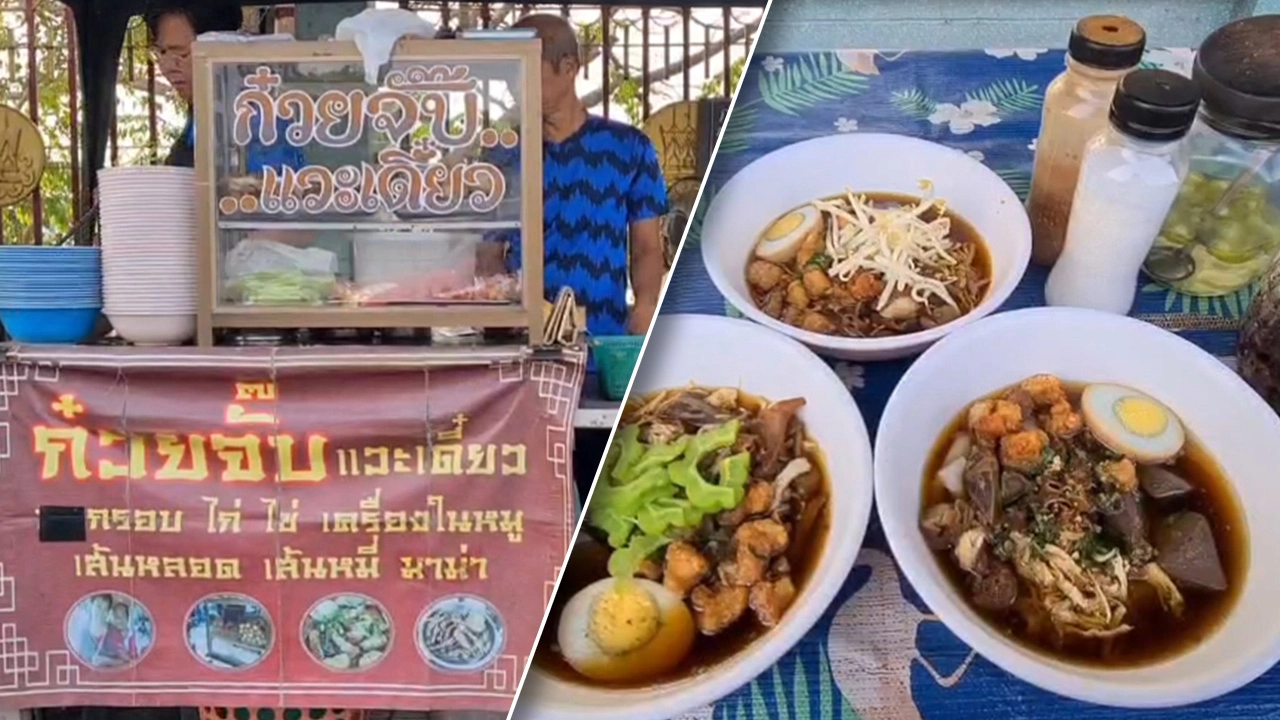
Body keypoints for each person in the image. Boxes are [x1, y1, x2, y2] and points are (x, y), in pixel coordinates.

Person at [146, 0, 304, 171]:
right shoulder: (202, 112)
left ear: (221, 46)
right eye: (162, 52)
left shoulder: (258, 123)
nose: (168, 66)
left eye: (181, 53)